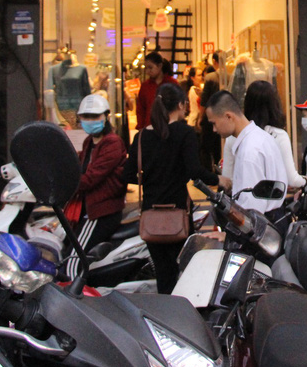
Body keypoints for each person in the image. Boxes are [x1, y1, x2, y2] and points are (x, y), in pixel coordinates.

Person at [123, 83, 229, 293]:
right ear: (181, 104)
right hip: (178, 213)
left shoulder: (142, 136)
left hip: (151, 215)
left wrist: (151, 180)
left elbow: (127, 175)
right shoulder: (184, 133)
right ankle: (180, 310)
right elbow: (194, 171)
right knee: (179, 269)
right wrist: (219, 179)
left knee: (163, 272)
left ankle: (165, 309)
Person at [65, 94, 127, 280]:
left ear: (106, 116)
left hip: (99, 212)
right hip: (87, 210)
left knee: (72, 262)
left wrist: (66, 185)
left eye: (95, 117)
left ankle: (70, 299)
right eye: (86, 117)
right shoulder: (88, 143)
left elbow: (91, 178)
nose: (90, 121)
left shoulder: (112, 143)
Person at [205, 90, 287, 213]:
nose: (214, 129)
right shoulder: (261, 137)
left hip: (263, 225)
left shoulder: (249, 151)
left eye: (214, 123)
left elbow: (252, 207)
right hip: (274, 218)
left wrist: (228, 233)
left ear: (228, 116)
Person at [243, 80, 306, 188]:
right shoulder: (278, 135)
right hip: (270, 201)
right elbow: (292, 179)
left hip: (240, 200)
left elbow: (228, 179)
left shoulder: (236, 135)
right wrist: (306, 181)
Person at [136, 52, 179, 130]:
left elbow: (178, 105)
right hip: (149, 127)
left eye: (150, 67)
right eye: (146, 68)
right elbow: (140, 109)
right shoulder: (145, 86)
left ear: (159, 66)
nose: (148, 71)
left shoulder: (172, 83)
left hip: (169, 127)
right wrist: (141, 127)